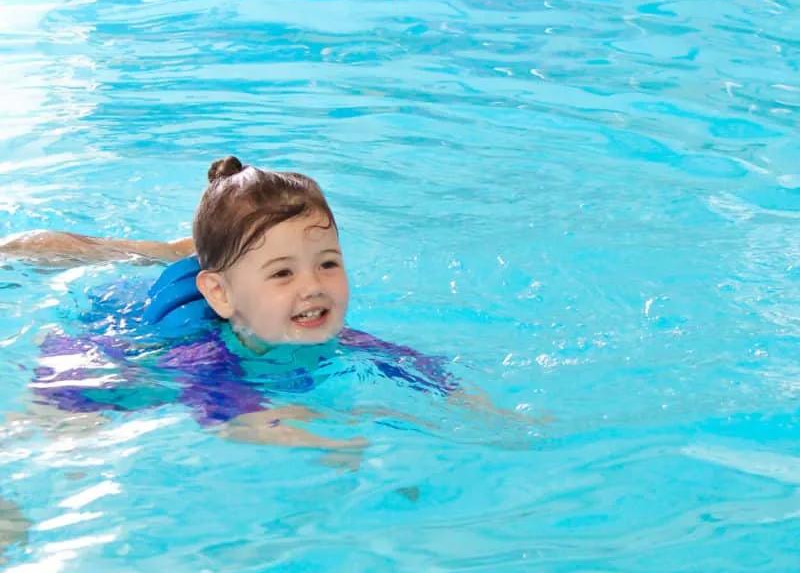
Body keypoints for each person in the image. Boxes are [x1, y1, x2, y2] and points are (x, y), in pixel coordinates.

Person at [1, 156, 520, 466]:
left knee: (203, 253)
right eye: (283, 273)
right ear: (222, 295)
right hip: (109, 334)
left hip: (210, 278)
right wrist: (309, 437)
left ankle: (198, 249)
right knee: (67, 432)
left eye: (328, 263)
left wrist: (479, 409)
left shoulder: (324, 325)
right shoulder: (200, 353)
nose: (314, 287)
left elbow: (413, 368)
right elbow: (226, 412)